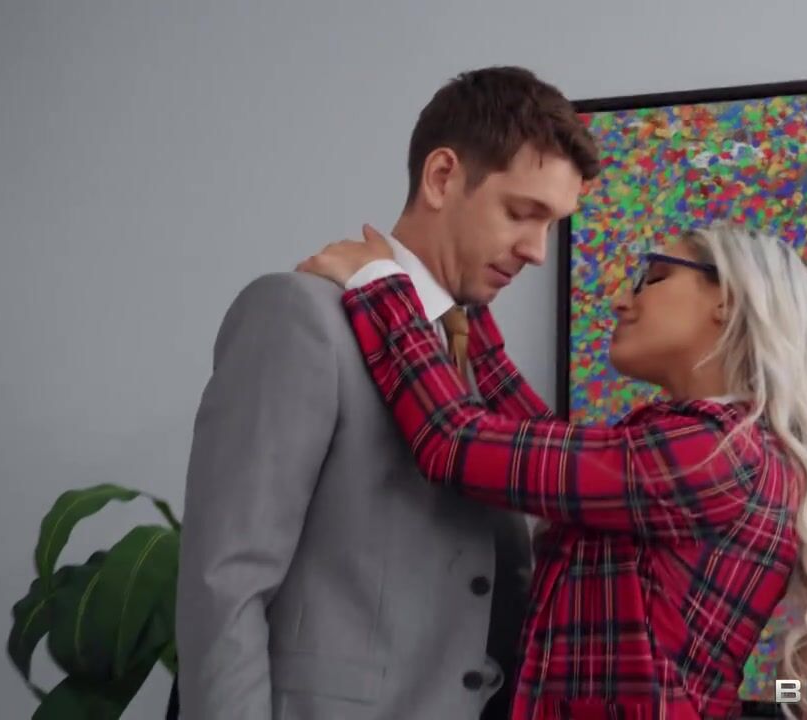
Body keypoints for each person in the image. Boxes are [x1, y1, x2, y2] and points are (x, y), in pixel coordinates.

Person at [297, 220, 807, 719]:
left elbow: (456, 443)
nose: (621, 299)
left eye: (653, 278)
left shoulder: (712, 455)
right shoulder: (725, 447)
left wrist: (378, 285)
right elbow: (535, 445)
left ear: (728, 301)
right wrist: (457, 293)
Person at [175, 66, 601, 720]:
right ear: (441, 177)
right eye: (522, 213)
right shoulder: (298, 316)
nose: (537, 251)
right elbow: (224, 585)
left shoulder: (478, 356)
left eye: (552, 224)